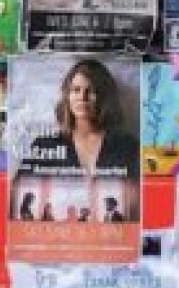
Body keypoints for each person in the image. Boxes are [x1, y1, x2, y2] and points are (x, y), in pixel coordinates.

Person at [18, 59, 141, 208]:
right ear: (67, 96)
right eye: (76, 90)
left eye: (91, 91)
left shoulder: (128, 146)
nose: (82, 97)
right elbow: (19, 196)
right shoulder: (44, 146)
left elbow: (141, 200)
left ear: (104, 96)